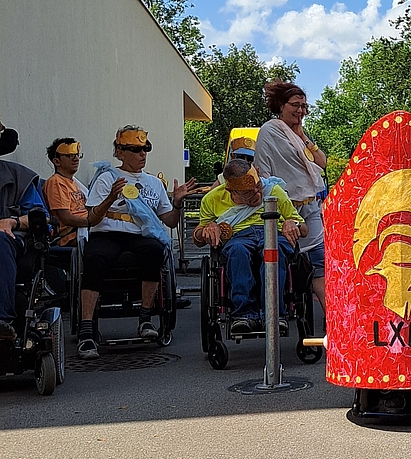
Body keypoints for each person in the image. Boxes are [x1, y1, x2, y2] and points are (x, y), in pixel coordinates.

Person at [77, 126, 199, 359]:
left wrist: (178, 202)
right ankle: (86, 331)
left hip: (140, 236)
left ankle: (145, 319)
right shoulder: (106, 179)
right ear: (120, 152)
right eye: (135, 149)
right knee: (94, 258)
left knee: (155, 251)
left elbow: (171, 222)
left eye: (145, 149)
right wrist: (111, 197)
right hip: (108, 233)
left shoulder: (154, 183)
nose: (142, 154)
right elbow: (91, 218)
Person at [194, 159, 305, 336]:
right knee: (238, 251)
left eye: (258, 186)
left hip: (272, 232)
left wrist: (292, 223)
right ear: (231, 190)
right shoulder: (212, 199)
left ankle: (274, 313)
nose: (257, 193)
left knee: (272, 249)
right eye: (248, 192)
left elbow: (303, 228)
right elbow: (198, 238)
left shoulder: (274, 191)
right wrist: (207, 229)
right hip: (239, 237)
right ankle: (244, 314)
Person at [255, 80, 328, 311]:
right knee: (283, 260)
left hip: (310, 205)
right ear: (281, 105)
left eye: (304, 106)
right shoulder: (270, 130)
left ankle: (332, 321)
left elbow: (322, 163)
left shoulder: (299, 135)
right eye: (295, 105)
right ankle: (276, 311)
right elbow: (264, 172)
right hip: (285, 210)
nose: (300, 110)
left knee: (321, 262)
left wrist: (303, 136)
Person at [0, 120, 47, 342]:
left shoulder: (20, 177)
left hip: (8, 240)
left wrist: (12, 222)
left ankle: (2, 321)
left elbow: (41, 217)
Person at [44, 138, 89, 247]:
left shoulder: (74, 182)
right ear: (56, 161)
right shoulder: (56, 182)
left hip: (88, 228)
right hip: (72, 235)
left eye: (77, 155)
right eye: (69, 156)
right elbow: (66, 218)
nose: (76, 159)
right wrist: (94, 221)